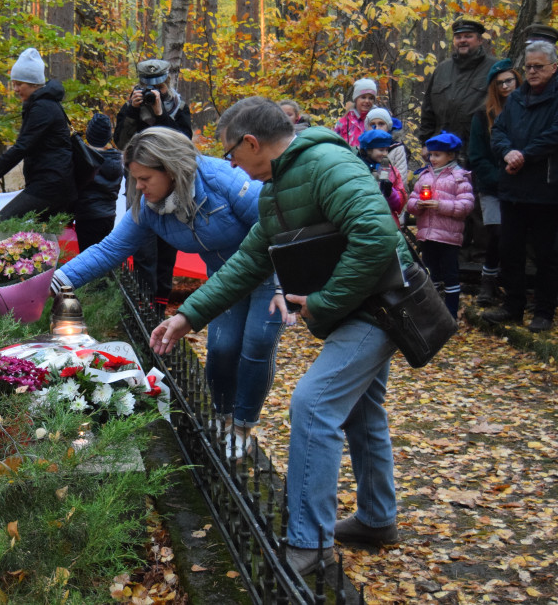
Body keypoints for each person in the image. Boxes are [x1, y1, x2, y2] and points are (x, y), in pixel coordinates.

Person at [149, 97, 413, 576]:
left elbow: (377, 236)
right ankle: (377, 519)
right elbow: (250, 260)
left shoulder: (327, 164)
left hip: (381, 305)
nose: (231, 164)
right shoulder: (275, 188)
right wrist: (188, 316)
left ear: (252, 143)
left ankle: (309, 543)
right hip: (359, 303)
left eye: (231, 154)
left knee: (313, 404)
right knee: (360, 408)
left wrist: (325, 302)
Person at [51, 126, 292, 459]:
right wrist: (57, 280)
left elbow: (278, 225)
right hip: (225, 279)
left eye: (146, 177)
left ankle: (242, 426)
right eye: (134, 178)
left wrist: (285, 284)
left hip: (268, 269)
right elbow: (110, 249)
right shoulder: (149, 206)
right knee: (222, 349)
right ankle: (223, 418)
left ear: (171, 168)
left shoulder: (224, 181)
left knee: (257, 344)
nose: (138, 186)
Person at [482, 40, 558, 333]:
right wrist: (507, 152)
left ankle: (543, 312)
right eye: (528, 67)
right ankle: (513, 306)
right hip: (513, 188)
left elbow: (553, 135)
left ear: (553, 67)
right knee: (510, 249)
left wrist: (524, 155)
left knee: (546, 255)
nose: (533, 71)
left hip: (547, 190)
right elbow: (499, 131)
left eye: (539, 66)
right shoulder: (515, 99)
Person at [113, 59, 194, 312]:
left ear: (166, 82)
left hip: (170, 187)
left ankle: (159, 306)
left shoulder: (179, 108)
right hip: (140, 186)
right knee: (144, 247)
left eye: (158, 86)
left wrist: (160, 114)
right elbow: (120, 143)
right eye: (148, 86)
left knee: (167, 246)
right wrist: (132, 112)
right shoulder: (131, 108)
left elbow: (182, 144)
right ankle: (144, 308)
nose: (152, 91)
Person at [0, 48, 74, 221]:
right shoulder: (42, 104)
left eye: (19, 84)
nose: (15, 89)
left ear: (33, 83)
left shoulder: (43, 107)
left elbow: (22, 147)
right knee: (42, 238)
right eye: (14, 84)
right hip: (51, 184)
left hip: (49, 186)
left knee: (1, 225)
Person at [467, 59, 521, 306]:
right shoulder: (482, 116)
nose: (506, 87)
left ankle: (514, 287)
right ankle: (487, 284)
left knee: (518, 237)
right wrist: (499, 179)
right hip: (493, 186)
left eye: (509, 81)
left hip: (524, 185)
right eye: (500, 83)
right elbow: (477, 156)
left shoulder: (527, 111)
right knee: (497, 233)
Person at [407, 132, 475, 318]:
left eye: (437, 155)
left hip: (448, 237)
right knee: (431, 274)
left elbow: (466, 205)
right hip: (427, 235)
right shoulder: (425, 176)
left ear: (450, 156)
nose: (432, 158)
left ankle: (451, 314)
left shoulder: (459, 177)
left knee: (450, 275)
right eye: (431, 154)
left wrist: (440, 205)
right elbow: (411, 202)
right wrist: (418, 205)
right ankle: (432, 313)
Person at [419, 18, 497, 154]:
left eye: (468, 36)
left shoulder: (494, 69)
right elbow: (428, 110)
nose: (462, 40)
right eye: (458, 37)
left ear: (480, 40)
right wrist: (425, 143)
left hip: (480, 151)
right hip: (442, 150)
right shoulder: (442, 69)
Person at [72, 113, 123, 251]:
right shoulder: (117, 159)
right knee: (103, 255)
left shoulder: (85, 161)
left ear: (89, 134)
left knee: (88, 257)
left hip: (87, 216)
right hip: (109, 215)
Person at [358, 129, 407, 226]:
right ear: (369, 150)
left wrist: (391, 193)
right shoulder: (359, 169)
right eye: (381, 150)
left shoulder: (391, 170)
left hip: (388, 221)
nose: (385, 153)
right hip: (365, 220)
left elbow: (400, 204)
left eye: (386, 150)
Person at [364, 107, 408, 178]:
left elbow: (400, 179)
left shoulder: (397, 149)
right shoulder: (361, 148)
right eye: (372, 125)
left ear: (388, 127)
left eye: (381, 124)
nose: (377, 128)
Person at [334, 78, 378, 147]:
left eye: (371, 98)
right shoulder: (344, 122)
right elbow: (334, 145)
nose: (367, 101)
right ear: (356, 99)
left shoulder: (378, 121)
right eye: (363, 97)